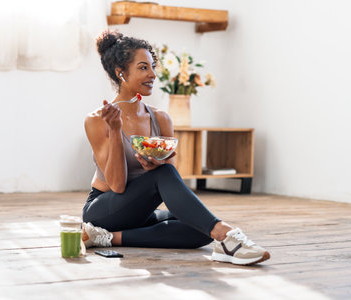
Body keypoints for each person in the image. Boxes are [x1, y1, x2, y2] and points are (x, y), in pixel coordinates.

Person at [81, 30, 270, 265]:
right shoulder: (98, 119)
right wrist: (115, 129)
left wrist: (156, 164)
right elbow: (117, 186)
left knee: (200, 227)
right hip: (105, 209)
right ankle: (226, 236)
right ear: (121, 73)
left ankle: (107, 239)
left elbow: (168, 177)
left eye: (152, 67)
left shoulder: (160, 118)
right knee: (203, 219)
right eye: (143, 68)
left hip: (140, 210)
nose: (153, 74)